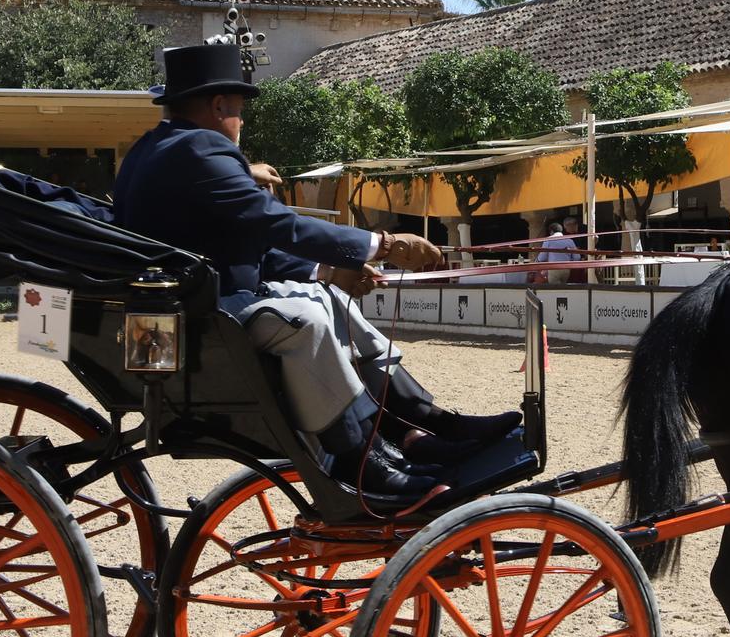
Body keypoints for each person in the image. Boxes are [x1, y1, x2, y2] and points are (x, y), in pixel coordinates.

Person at [113, 42, 516, 509]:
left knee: (329, 299)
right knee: (307, 320)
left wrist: (326, 269)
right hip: (200, 312)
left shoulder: (153, 148)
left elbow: (235, 245)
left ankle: (416, 426)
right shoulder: (200, 148)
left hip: (194, 297)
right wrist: (384, 244)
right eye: (240, 110)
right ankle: (357, 458)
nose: (241, 122)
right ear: (219, 104)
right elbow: (275, 224)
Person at [536, 220, 577, 285]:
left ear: (551, 231)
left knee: (554, 289)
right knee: (563, 288)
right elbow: (577, 257)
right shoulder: (570, 241)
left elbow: (542, 257)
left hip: (554, 268)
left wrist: (537, 260)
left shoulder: (548, 240)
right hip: (566, 269)